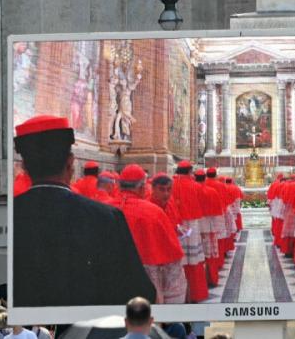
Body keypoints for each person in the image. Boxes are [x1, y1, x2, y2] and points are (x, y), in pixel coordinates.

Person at [12, 114, 155, 305]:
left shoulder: (11, 216)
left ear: (23, 166)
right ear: (70, 163)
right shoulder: (108, 219)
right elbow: (140, 294)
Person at [117, 164, 188, 304]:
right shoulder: (153, 212)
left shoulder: (104, 207)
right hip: (145, 279)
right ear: (144, 187)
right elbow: (172, 260)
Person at [170, 162, 209, 303]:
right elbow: (203, 201)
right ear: (189, 172)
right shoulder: (195, 186)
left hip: (176, 224)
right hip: (192, 224)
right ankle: (196, 293)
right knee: (194, 259)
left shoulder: (171, 184)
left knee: (180, 258)